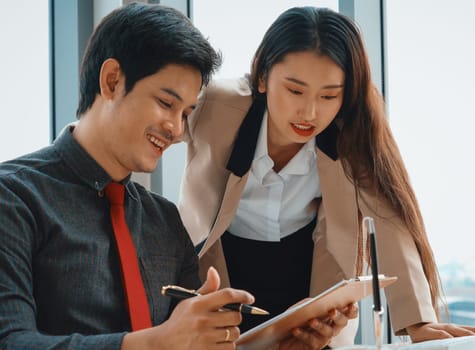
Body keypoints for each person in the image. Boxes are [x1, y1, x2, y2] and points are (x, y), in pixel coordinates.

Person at [0, 3, 353, 350]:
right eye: (166, 103)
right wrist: (159, 342)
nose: (175, 128)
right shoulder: (14, 197)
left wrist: (285, 341)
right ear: (111, 81)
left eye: (186, 113)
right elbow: (10, 340)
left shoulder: (166, 223)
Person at [179, 5, 475, 346]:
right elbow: (152, 122)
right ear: (263, 77)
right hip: (221, 272)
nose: (309, 112)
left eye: (329, 96)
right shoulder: (216, 105)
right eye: (295, 91)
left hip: (308, 290)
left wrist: (419, 324)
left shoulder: (353, 135)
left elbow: (389, 224)